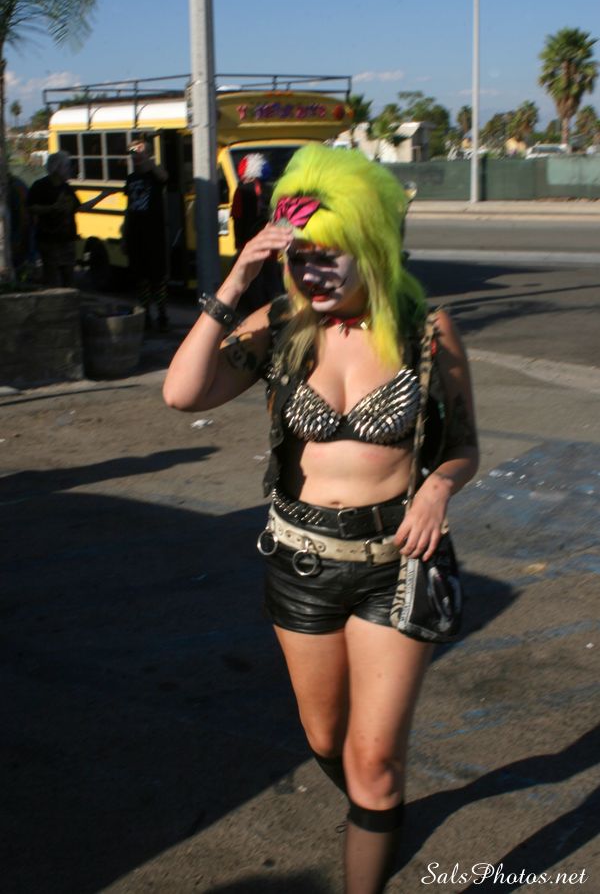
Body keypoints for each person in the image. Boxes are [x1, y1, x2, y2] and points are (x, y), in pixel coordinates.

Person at [163, 144, 478, 893]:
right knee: (325, 737)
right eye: (299, 258)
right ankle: (378, 808)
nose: (313, 274)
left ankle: (376, 813)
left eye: (329, 256)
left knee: (374, 762)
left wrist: (437, 488)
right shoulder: (282, 325)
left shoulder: (426, 329)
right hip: (301, 563)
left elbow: (463, 446)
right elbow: (183, 393)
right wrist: (237, 278)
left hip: (395, 565)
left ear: (370, 246)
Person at [27, 151, 108, 287]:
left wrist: (102, 196)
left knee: (69, 281)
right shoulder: (40, 186)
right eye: (66, 166)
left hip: (67, 241)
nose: (70, 170)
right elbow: (31, 208)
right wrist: (52, 208)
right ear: (56, 168)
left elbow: (80, 208)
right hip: (49, 242)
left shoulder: (67, 188)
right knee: (53, 282)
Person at [123, 138, 169, 332]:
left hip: (154, 234)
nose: (135, 156)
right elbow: (129, 207)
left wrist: (148, 160)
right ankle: (146, 315)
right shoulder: (131, 178)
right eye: (133, 152)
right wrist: (125, 234)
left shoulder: (155, 175)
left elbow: (165, 178)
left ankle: (162, 315)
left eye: (139, 151)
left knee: (158, 278)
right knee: (141, 278)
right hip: (136, 234)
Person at [231, 152, 282, 313]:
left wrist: (239, 245)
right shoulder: (273, 190)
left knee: (252, 285)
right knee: (273, 283)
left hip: (249, 246)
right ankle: (280, 314)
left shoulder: (241, 191)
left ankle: (257, 316)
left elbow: (238, 219)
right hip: (270, 246)